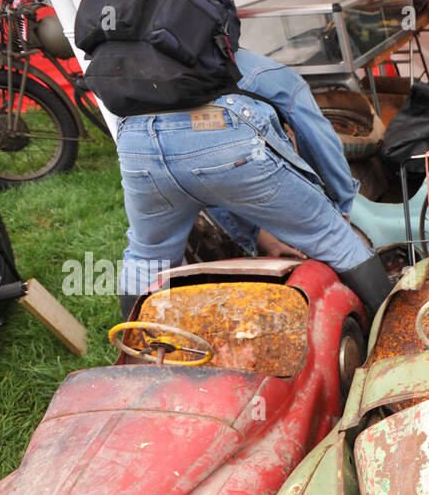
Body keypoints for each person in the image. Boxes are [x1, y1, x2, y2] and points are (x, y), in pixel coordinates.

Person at [114, 49, 391, 320]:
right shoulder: (251, 66)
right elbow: (315, 138)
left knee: (146, 259)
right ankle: (399, 333)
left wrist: (256, 234)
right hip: (220, 136)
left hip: (135, 142)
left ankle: (139, 355)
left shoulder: (137, 71)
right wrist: (342, 206)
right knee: (335, 238)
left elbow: (201, 181)